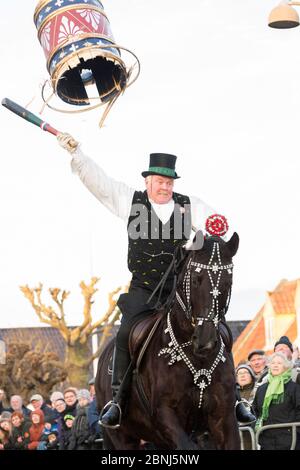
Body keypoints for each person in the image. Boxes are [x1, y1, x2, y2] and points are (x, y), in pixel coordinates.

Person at [57, 133, 254, 428]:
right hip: (144, 290)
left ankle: (235, 398)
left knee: (218, 329)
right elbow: (99, 183)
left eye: (169, 183)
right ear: (148, 181)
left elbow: (219, 227)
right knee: (125, 334)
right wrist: (77, 154)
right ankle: (117, 399)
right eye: (160, 182)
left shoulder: (190, 206)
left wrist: (210, 235)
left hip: (181, 292)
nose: (165, 187)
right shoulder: (129, 200)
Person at [252, 352, 300, 450]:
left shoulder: (294, 388)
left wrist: (295, 431)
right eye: (273, 363)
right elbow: (254, 411)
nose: (275, 365)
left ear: (285, 367)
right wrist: (258, 429)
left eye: (279, 363)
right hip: (266, 440)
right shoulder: (261, 389)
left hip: (290, 440)